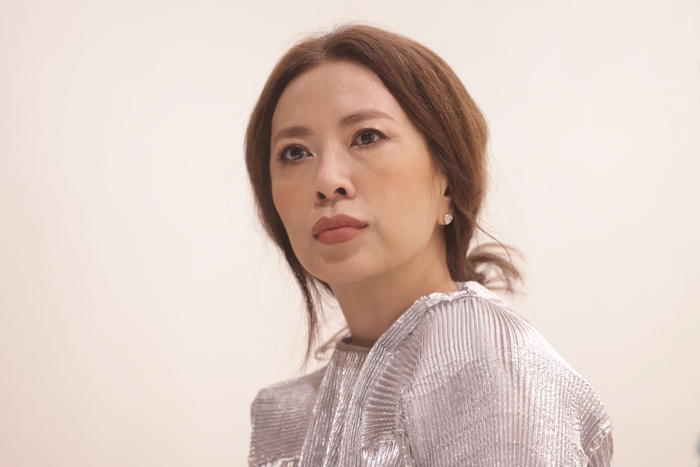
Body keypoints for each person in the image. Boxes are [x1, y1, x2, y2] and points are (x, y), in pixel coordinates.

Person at [244, 23, 613, 467]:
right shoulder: (285, 415)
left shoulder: (493, 368)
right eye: (295, 152)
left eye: (367, 137)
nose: (327, 181)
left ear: (449, 183)